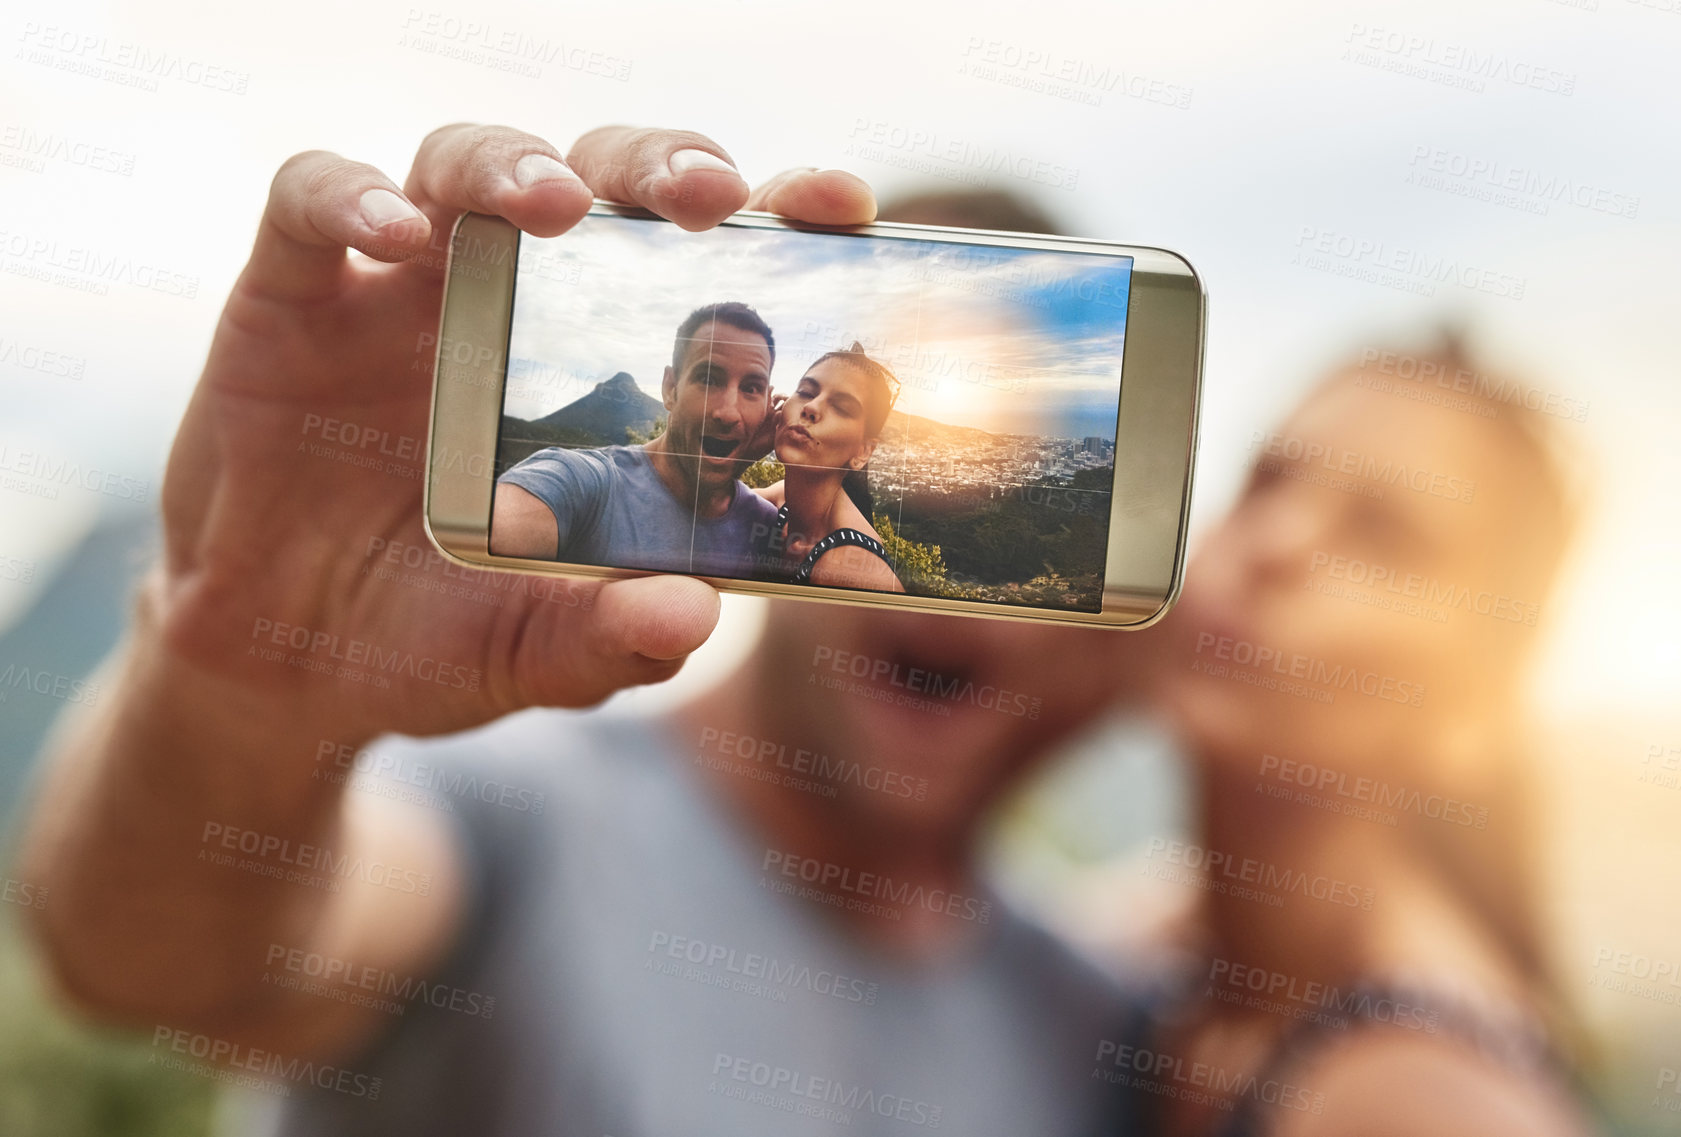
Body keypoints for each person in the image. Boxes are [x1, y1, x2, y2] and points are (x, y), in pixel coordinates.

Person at [15, 129, 1147, 1136]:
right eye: (785, 394)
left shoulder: (1091, 1015)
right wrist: (243, 686)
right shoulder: (509, 803)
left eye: (987, 496)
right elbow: (151, 966)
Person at [1131, 336, 1596, 1136]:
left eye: (1380, 535)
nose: (1275, 543)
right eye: (1266, 480)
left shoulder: (1425, 1095)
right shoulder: (1154, 937)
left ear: (1475, 707)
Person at [490, 300, 781, 578]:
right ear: (670, 388)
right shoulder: (588, 484)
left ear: (767, 405)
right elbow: (500, 527)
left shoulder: (764, 526)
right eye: (708, 379)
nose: (728, 413)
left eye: (751, 388)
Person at [754, 342, 904, 592]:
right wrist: (747, 447)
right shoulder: (781, 501)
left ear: (862, 452)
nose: (811, 408)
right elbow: (700, 501)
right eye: (805, 392)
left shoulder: (849, 569)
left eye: (842, 408)